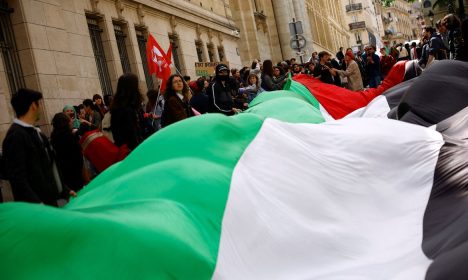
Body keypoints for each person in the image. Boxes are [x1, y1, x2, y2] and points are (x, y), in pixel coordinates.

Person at [2, 88, 74, 206]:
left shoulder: (36, 133)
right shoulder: (16, 136)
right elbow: (18, 179)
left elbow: (49, 167)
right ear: (33, 106)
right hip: (38, 211)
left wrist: (64, 189)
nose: (40, 108)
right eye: (39, 103)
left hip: (50, 204)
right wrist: (38, 204)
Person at [51, 113, 86, 192]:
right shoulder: (70, 136)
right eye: (69, 121)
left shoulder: (53, 137)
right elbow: (79, 156)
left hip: (63, 173)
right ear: (65, 123)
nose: (71, 122)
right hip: (75, 172)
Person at [111, 73, 145, 151]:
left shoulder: (133, 106)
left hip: (138, 147)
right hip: (131, 151)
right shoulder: (121, 108)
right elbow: (119, 133)